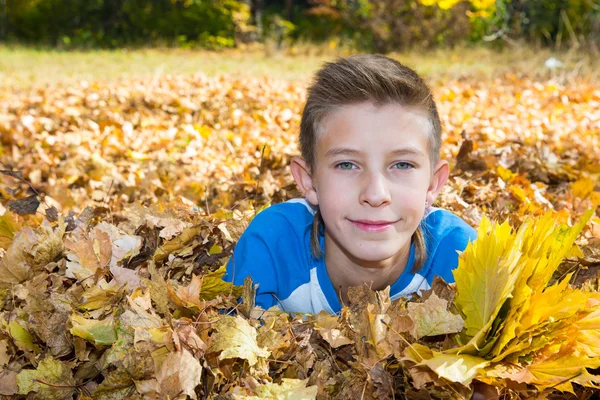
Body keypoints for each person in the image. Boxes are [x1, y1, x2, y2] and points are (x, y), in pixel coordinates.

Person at [223, 54, 477, 314]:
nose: (376, 194)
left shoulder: (462, 258)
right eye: (347, 165)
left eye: (402, 165)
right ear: (308, 180)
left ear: (433, 183)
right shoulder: (272, 247)